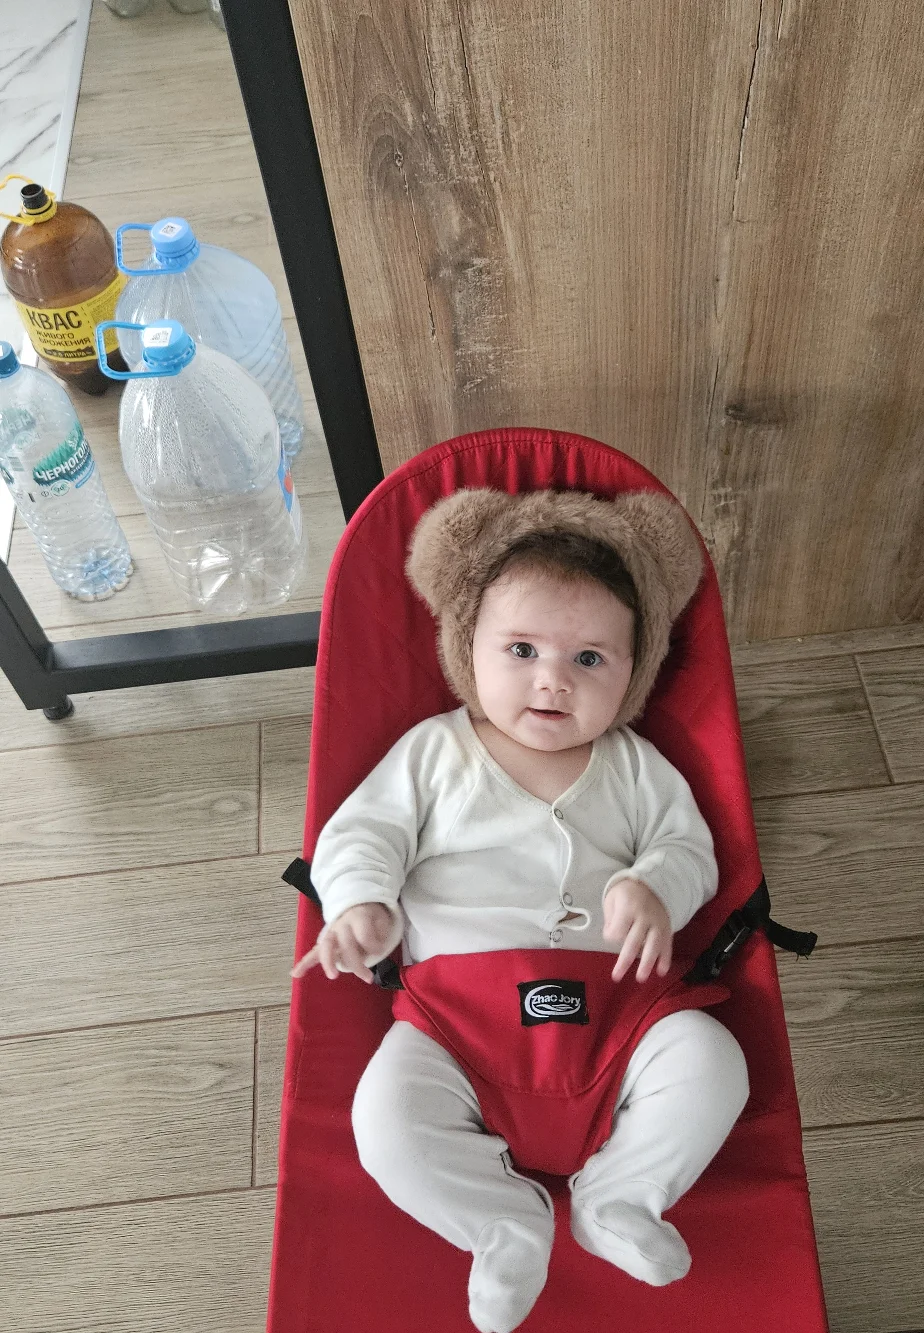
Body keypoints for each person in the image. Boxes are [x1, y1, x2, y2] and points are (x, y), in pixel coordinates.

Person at [291, 487, 750, 1333]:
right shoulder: (434, 752)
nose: (552, 679)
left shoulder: (636, 766)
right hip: (457, 1020)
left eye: (590, 658)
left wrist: (656, 885)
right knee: (386, 1116)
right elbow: (362, 833)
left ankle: (619, 1196)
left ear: (636, 670)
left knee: (713, 1061)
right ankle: (501, 1222)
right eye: (523, 649)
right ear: (468, 646)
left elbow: (690, 848)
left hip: (623, 1012)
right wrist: (362, 904)